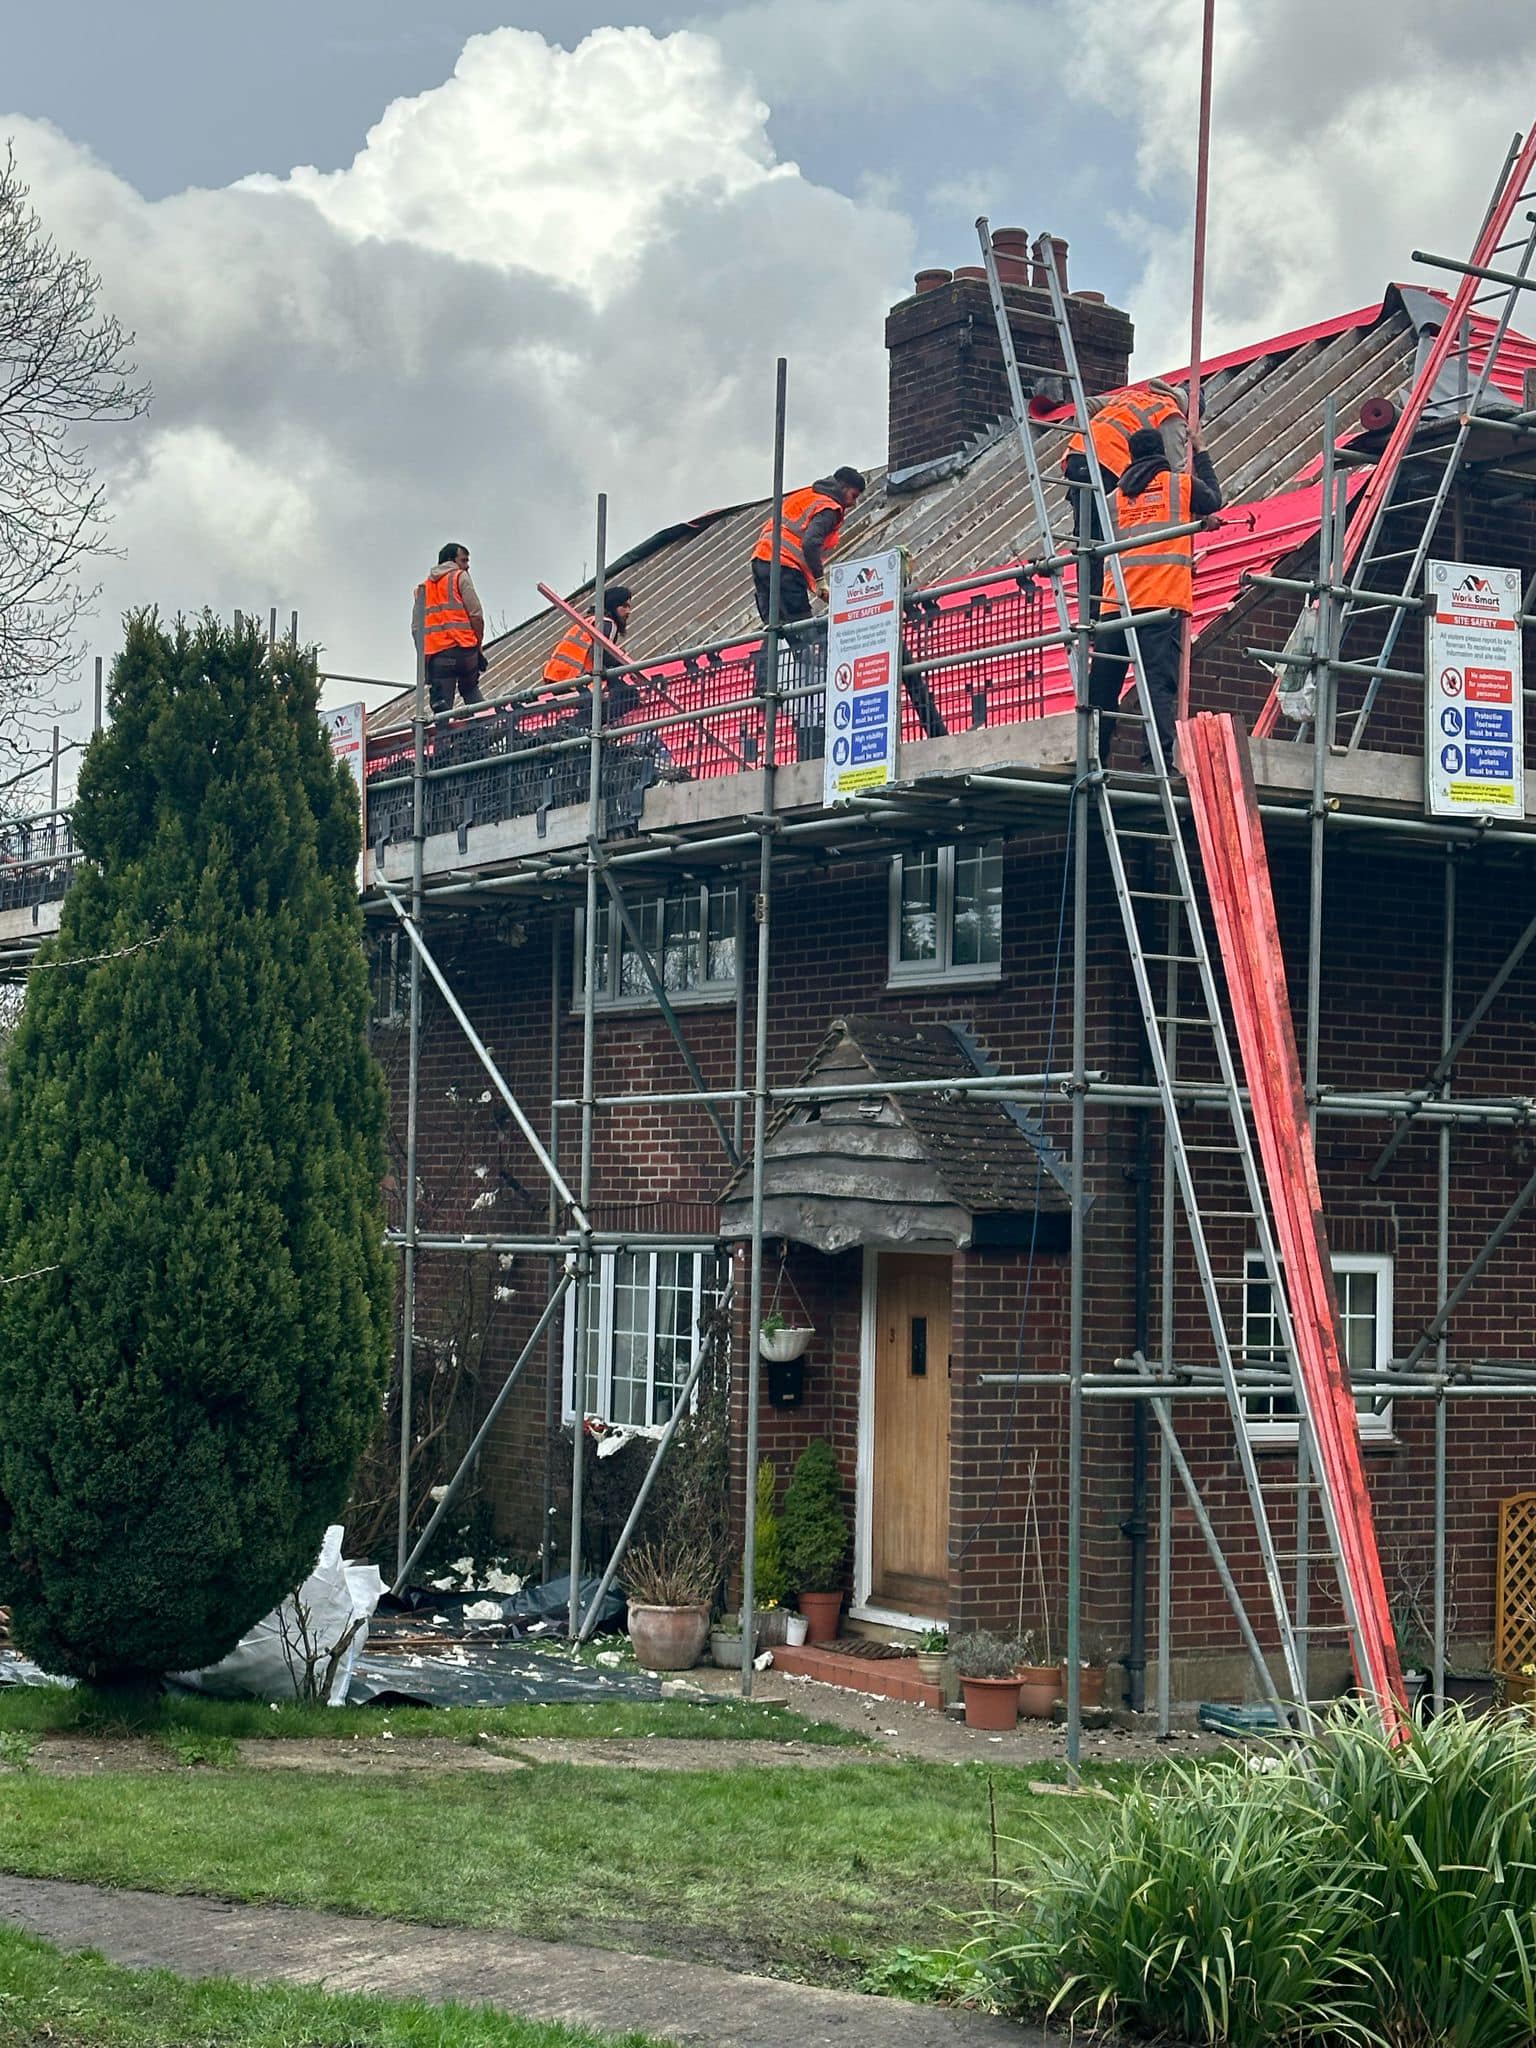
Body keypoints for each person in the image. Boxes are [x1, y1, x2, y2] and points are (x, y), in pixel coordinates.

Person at [1087, 423, 1222, 769]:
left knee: (1102, 689)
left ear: (1131, 456)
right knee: (1157, 686)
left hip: (1116, 607)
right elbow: (1214, 500)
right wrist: (1202, 452)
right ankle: (1156, 763)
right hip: (1161, 603)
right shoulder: (1180, 486)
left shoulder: (1111, 500)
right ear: (1161, 453)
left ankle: (1092, 761)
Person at [750, 466, 866, 761]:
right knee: (800, 625)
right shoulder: (829, 507)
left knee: (776, 627)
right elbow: (810, 543)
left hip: (763, 562)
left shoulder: (804, 496)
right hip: (785, 568)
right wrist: (821, 579)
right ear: (843, 487)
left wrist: (814, 585)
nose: (852, 503)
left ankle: (765, 682)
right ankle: (818, 668)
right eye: (853, 495)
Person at [1062, 379, 1188, 623]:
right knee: (1103, 542)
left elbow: (1085, 406)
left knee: (1086, 541)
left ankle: (1089, 613)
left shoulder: (1132, 397)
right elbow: (1176, 476)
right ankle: (1098, 614)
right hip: (1107, 466)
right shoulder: (1172, 414)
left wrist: (1090, 440)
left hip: (1077, 457)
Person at [541, 584, 641, 722]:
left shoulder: (589, 621)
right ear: (613, 606)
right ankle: (577, 725)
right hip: (576, 678)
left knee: (600, 701)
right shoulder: (608, 624)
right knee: (629, 696)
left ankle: (572, 725)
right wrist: (620, 662)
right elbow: (601, 655)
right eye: (624, 606)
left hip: (558, 677)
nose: (628, 611)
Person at [414, 542, 486, 714]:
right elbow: (476, 614)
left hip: (439, 657)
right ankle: (488, 725)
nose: (467, 566)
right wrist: (478, 646)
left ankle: (444, 738)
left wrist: (425, 661)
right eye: (464, 560)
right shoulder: (459, 577)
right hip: (465, 650)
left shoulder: (421, 590)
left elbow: (416, 629)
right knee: (470, 690)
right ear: (451, 560)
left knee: (442, 706)